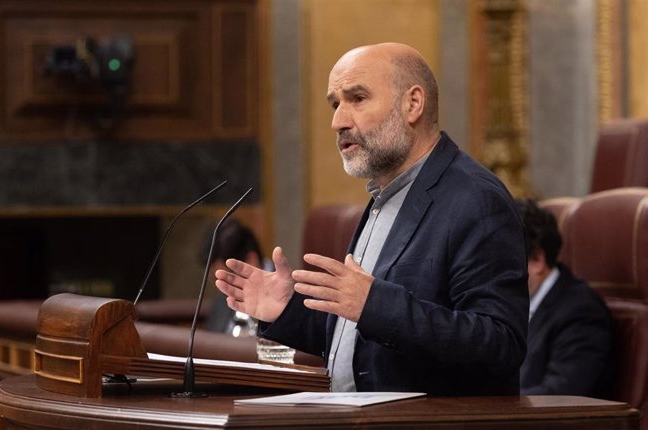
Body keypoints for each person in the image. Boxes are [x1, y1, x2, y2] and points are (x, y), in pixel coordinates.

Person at [215, 42, 529, 395]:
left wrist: (374, 304)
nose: (337, 121)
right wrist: (287, 312)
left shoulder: (475, 199)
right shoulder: (386, 195)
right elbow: (367, 340)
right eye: (335, 104)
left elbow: (500, 343)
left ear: (412, 104)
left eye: (358, 98)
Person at [517, 199, 613, 396]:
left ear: (536, 260)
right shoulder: (515, 304)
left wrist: (487, 403)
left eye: (502, 261)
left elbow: (561, 395)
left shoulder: (580, 311)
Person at [198, 218, 267, 335]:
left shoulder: (287, 297)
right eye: (214, 279)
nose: (220, 287)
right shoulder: (220, 300)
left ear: (251, 261)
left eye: (226, 278)